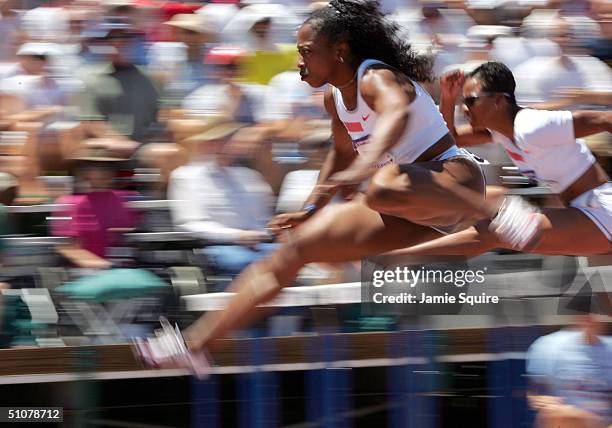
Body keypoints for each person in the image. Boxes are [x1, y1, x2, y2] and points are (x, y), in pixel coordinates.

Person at [134, 0, 507, 367]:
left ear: (340, 51)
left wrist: (362, 171)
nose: (299, 62)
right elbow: (341, 153)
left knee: (381, 183)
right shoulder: (334, 98)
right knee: (291, 252)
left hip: (453, 181)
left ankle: (498, 213)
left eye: (307, 52)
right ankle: (195, 345)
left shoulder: (376, 77)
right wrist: (310, 209)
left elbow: (396, 114)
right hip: (404, 209)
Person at [387, 61, 612, 258]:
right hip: (584, 210)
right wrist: (448, 98)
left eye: (471, 101)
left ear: (498, 100)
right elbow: (451, 138)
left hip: (601, 211)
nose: (465, 109)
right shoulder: (503, 132)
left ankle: (392, 256)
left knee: (496, 229)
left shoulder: (532, 126)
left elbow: (604, 119)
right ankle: (393, 255)